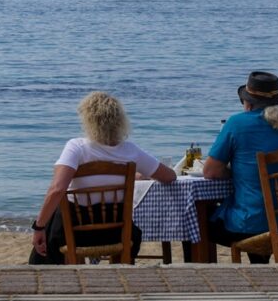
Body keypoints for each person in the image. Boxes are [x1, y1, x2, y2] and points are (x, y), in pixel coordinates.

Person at [29, 91, 176, 265]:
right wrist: (137, 176)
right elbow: (170, 176)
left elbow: (57, 189)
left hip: (76, 234)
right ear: (120, 121)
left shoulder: (76, 147)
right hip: (117, 233)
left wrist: (38, 226)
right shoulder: (131, 151)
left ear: (88, 121)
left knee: (57, 215)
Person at [202, 70, 278, 263]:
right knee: (254, 206)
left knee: (198, 219)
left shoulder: (236, 123)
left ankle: (201, 277)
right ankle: (261, 268)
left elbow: (210, 171)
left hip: (254, 225)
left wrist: (235, 173)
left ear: (248, 102)